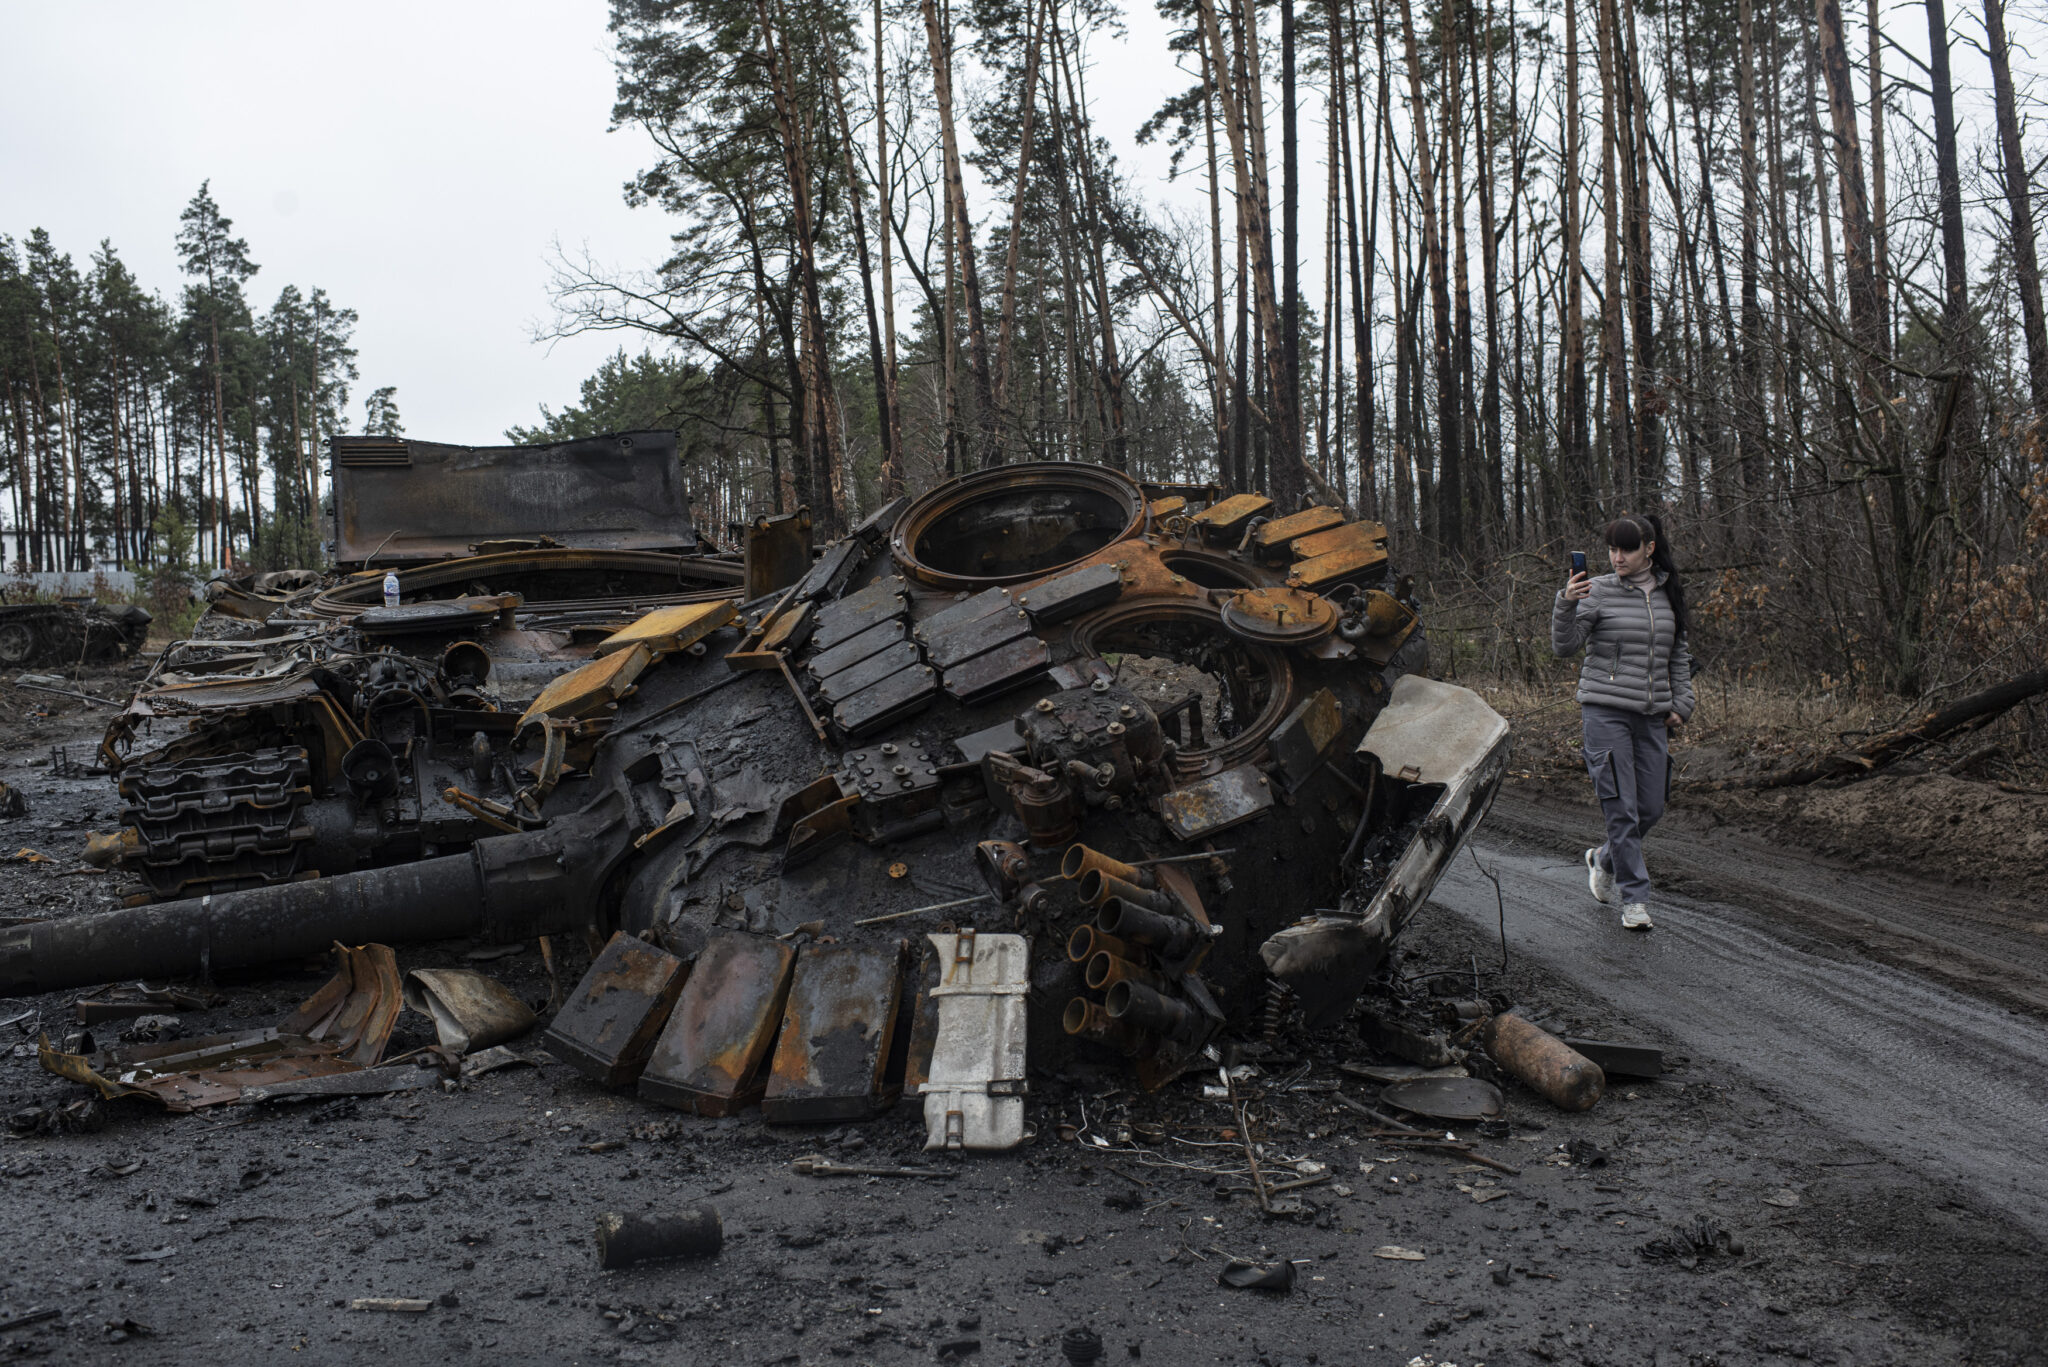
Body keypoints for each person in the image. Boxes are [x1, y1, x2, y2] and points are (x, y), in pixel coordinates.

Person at [1551, 513, 1695, 931]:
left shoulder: (1669, 594)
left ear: (1649, 548)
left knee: (1650, 807)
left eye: (1626, 549)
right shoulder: (1596, 590)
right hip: (1605, 711)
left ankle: (1603, 858)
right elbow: (1564, 647)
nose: (1617, 557)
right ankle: (1635, 901)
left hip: (1651, 717)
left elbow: (1678, 655)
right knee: (1622, 811)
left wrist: (1682, 702)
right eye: (1612, 549)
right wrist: (1567, 602)